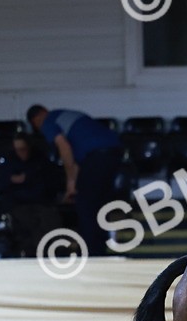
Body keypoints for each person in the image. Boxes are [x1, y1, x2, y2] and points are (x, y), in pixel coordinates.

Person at [25, 105, 122, 256]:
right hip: (113, 153)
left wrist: (70, 181)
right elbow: (77, 160)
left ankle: (92, 252)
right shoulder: (68, 115)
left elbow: (64, 147)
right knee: (99, 204)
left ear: (36, 120)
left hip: (96, 157)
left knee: (86, 206)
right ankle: (101, 248)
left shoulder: (48, 121)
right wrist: (73, 186)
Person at [0, 134, 58, 256]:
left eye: (23, 149)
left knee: (47, 221)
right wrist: (12, 180)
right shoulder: (8, 162)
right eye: (17, 150)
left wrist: (25, 179)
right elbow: (0, 185)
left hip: (41, 202)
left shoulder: (41, 160)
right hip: (17, 204)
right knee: (23, 222)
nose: (20, 153)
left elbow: (48, 184)